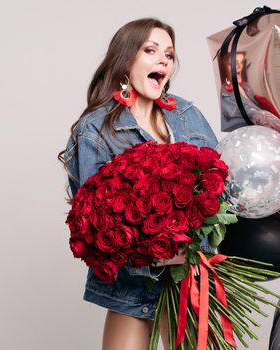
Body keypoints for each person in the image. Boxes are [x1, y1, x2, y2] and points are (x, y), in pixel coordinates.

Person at [58, 18, 217, 350]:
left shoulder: (186, 114)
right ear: (126, 60)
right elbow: (95, 223)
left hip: (192, 280)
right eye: (151, 50)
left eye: (169, 55)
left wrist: (196, 239)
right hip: (133, 287)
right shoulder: (96, 130)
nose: (164, 60)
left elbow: (220, 188)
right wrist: (154, 250)